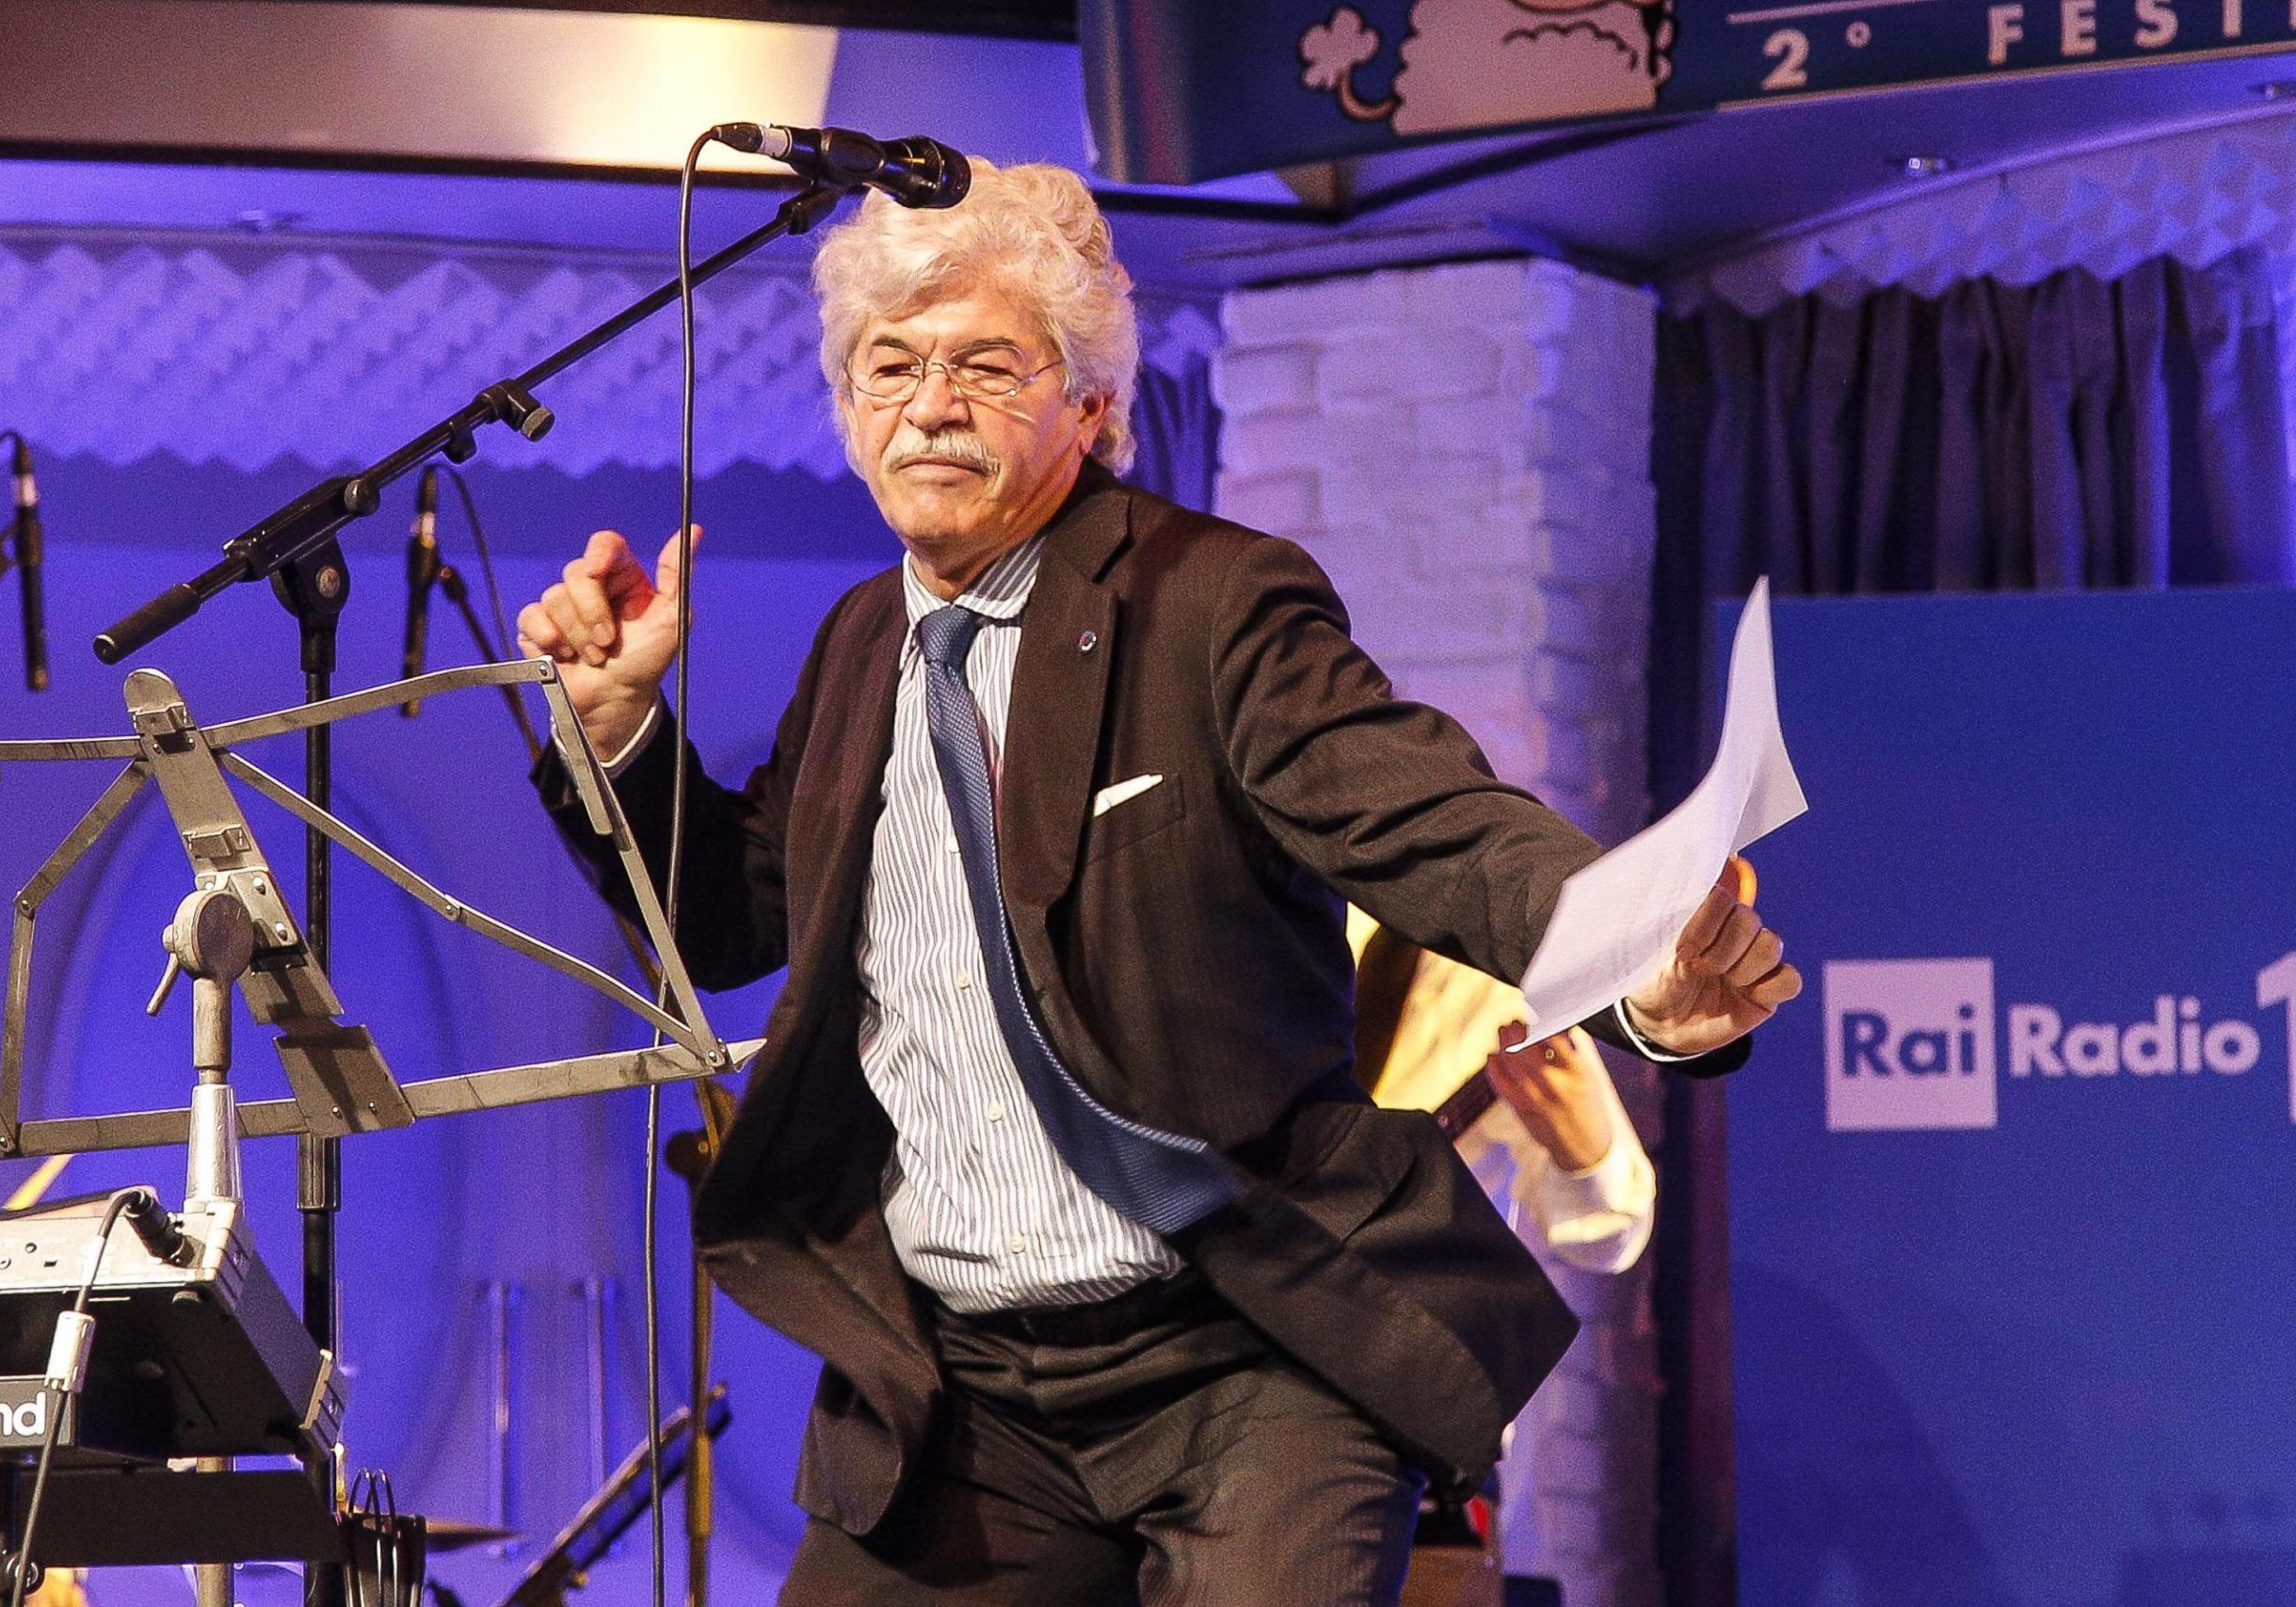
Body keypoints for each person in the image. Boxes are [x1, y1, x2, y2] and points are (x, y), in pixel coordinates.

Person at [521, 159, 1798, 1605]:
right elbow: (732, 919)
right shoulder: (860, 642)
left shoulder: (1214, 603)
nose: (929, 404)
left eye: (984, 364)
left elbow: (1430, 821)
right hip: (963, 1378)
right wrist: (619, 733)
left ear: (1091, 405)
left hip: (1247, 1345)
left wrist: (1639, 956)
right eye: (889, 364)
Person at [1352, 908, 1658, 1607]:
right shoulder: (1216, 928)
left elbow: (1615, 1231)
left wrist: (1584, 1146)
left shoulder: (1484, 970)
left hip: (1418, 1440)